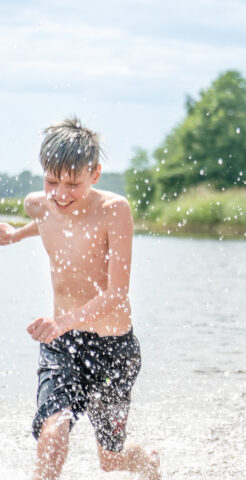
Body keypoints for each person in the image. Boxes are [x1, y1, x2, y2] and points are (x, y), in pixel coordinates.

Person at [0, 117, 160, 480]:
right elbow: (50, 221)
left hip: (113, 351)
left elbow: (117, 295)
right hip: (63, 346)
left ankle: (148, 461)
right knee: (53, 431)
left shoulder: (114, 211)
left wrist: (60, 322)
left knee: (111, 460)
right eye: (51, 181)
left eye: (73, 184)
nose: (60, 193)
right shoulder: (37, 205)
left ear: (96, 174)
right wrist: (14, 235)